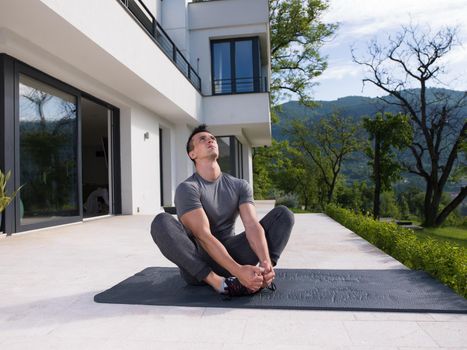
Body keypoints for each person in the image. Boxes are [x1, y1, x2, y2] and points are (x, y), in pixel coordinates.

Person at [150, 124, 294, 297]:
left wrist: (265, 263)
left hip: (233, 253)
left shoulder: (239, 185)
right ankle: (220, 283)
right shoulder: (187, 188)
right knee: (161, 222)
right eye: (202, 139)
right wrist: (238, 271)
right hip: (200, 265)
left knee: (283, 215)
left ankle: (261, 276)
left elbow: (252, 225)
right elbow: (203, 236)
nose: (210, 140)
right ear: (192, 154)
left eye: (212, 138)